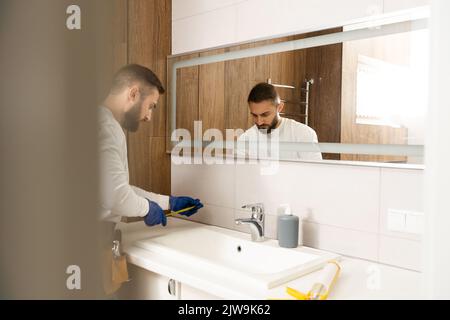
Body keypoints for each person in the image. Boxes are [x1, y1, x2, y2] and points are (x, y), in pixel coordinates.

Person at [99, 64, 203, 227]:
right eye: (150, 106)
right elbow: (116, 196)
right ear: (133, 94)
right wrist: (147, 209)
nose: (149, 117)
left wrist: (168, 203)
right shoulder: (106, 128)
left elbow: (116, 188)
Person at [237, 83, 322, 161]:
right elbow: (239, 174)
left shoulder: (303, 134)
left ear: (280, 107)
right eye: (255, 115)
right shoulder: (245, 139)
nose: (259, 122)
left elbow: (316, 173)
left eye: (265, 115)